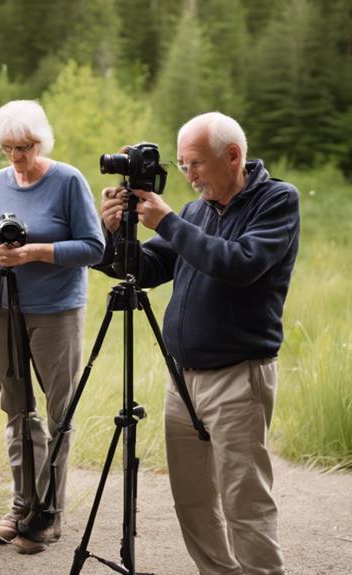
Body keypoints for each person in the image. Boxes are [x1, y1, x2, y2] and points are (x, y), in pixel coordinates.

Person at [98, 112, 299, 575]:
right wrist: (115, 235)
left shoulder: (276, 201)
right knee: (192, 500)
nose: (186, 177)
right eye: (182, 165)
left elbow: (241, 262)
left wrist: (166, 221)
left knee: (243, 501)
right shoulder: (196, 211)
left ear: (233, 156)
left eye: (194, 165)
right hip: (181, 377)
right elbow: (146, 271)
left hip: (237, 376)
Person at [0, 100, 104, 553]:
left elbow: (94, 247)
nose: (16, 157)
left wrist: (34, 252)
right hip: (0, 305)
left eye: (23, 147)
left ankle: (48, 513)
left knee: (57, 413)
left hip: (55, 310)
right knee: (16, 409)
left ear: (40, 142)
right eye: (6, 148)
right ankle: (21, 503)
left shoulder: (67, 180)